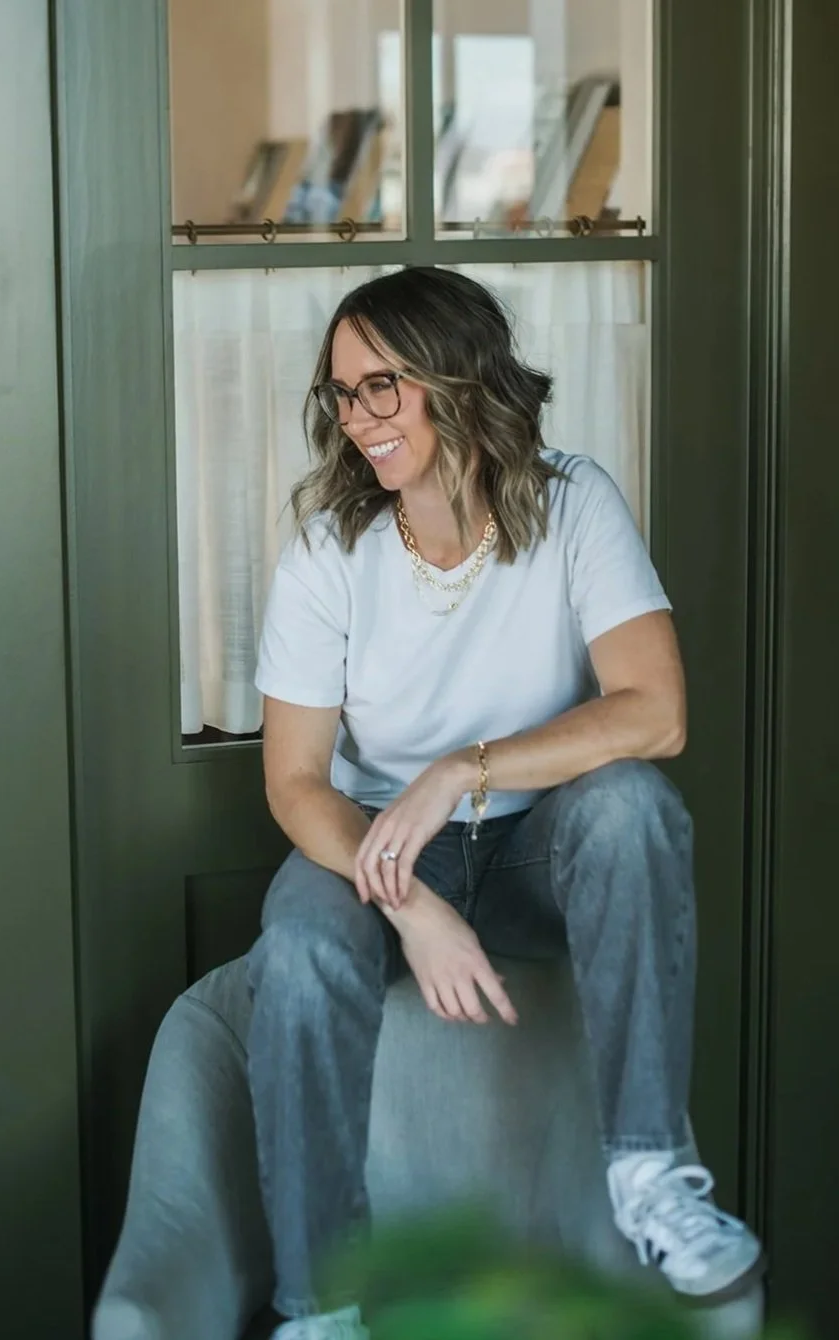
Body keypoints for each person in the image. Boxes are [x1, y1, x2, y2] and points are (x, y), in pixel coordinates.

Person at [248, 267, 764, 1340]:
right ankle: (322, 1304)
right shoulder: (326, 551)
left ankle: (651, 1177)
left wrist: (461, 768)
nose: (359, 420)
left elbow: (656, 711)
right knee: (297, 950)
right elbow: (295, 780)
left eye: (382, 386)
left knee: (632, 807)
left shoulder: (574, 501)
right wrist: (407, 900)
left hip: (541, 839)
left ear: (458, 375)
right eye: (343, 394)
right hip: (384, 841)